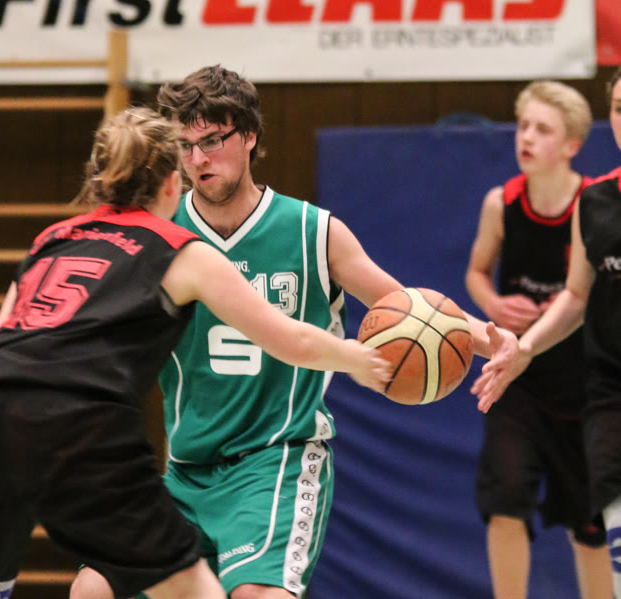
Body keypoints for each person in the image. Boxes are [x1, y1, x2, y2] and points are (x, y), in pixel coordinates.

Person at [71, 65, 518, 599]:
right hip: (187, 469)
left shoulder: (313, 231)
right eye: (185, 147)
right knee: (93, 590)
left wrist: (494, 340)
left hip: (275, 462)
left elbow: (406, 307)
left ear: (249, 135)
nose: (198, 159)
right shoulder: (163, 234)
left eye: (211, 141)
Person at [0, 107, 393, 599]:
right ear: (174, 184)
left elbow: (3, 336)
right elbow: (292, 339)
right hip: (74, 417)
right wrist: (354, 359)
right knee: (195, 591)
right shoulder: (179, 247)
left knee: (0, 586)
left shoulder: (52, 237)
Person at [474, 68, 621, 596]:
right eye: (523, 126)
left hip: (579, 382)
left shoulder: (585, 198)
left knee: (590, 529)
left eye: (543, 129)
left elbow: (577, 298)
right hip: (542, 384)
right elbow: (574, 295)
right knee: (506, 504)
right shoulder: (584, 203)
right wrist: (504, 318)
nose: (528, 137)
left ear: (572, 145)